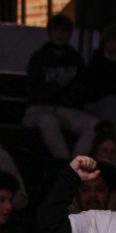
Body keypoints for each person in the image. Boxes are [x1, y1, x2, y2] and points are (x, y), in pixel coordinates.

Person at [22, 14, 99, 159]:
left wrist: (68, 88)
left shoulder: (75, 59)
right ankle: (64, 164)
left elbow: (82, 92)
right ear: (50, 32)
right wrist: (58, 84)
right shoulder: (39, 58)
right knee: (47, 120)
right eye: (56, 30)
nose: (60, 34)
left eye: (64, 31)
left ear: (70, 34)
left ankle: (75, 164)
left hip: (66, 110)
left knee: (95, 124)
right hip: (39, 109)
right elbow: (33, 92)